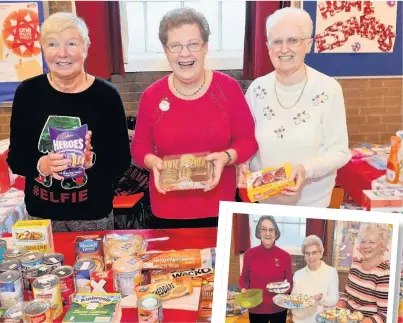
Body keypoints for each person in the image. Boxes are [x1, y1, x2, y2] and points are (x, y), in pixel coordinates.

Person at [131, 7, 258, 228]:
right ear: (165, 50)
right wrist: (152, 162)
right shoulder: (151, 96)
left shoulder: (228, 89)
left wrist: (226, 157)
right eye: (175, 46)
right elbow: (140, 147)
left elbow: (248, 141)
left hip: (220, 209)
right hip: (166, 211)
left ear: (205, 47)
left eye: (193, 44)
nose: (185, 53)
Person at [7, 12, 131, 232]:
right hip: (41, 217)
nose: (62, 53)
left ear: (85, 48)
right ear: (43, 50)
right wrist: (41, 165)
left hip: (93, 215)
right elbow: (16, 158)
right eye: (52, 44)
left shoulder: (107, 96)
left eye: (71, 43)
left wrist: (90, 159)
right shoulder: (27, 93)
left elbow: (121, 161)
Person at [239, 7, 351, 207]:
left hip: (312, 203)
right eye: (277, 41)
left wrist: (305, 169)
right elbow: (244, 139)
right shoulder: (257, 89)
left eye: (293, 40)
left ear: (308, 44)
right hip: (264, 200)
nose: (284, 49)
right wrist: (243, 164)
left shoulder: (328, 89)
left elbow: (340, 152)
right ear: (268, 46)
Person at [239, 216, 292, 323]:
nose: (268, 233)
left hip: (278, 307)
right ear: (259, 232)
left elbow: (289, 283)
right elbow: (243, 279)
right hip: (256, 307)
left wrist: (284, 290)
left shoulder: (285, 256)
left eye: (271, 230)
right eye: (264, 229)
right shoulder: (249, 254)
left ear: (276, 233)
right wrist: (243, 289)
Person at [337, 224, 390, 323]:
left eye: (372, 242)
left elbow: (384, 315)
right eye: (363, 242)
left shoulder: (384, 274)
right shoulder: (355, 265)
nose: (366, 246)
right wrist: (339, 306)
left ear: (382, 246)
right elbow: (346, 295)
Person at [291, 235, 339, 323]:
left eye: (314, 252)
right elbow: (294, 299)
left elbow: (333, 300)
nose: (311, 257)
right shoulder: (298, 275)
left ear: (320, 253)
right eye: (307, 253)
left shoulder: (331, 272)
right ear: (304, 255)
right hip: (300, 320)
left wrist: (321, 298)